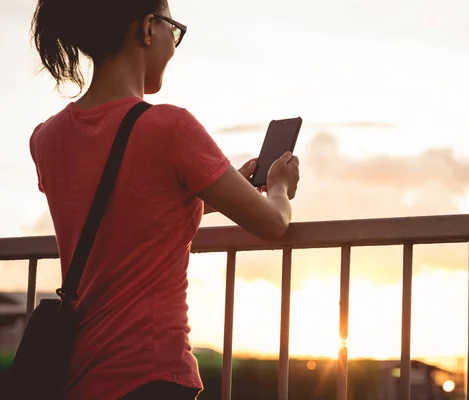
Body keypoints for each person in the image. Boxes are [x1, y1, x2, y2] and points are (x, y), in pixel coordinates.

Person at [28, 0, 300, 399]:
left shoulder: (47, 138)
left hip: (76, 378)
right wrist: (278, 186)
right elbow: (273, 223)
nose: (173, 45)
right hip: (150, 373)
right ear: (148, 29)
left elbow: (129, 209)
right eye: (174, 30)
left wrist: (224, 191)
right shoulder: (170, 127)